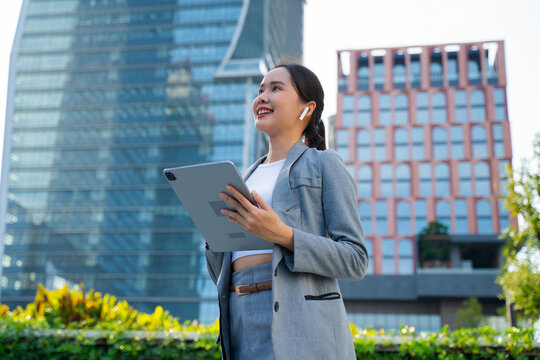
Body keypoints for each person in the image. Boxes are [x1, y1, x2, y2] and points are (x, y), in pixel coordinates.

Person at [205, 63, 368, 360]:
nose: (262, 97)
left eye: (276, 89)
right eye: (260, 91)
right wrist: (213, 233)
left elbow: (355, 259)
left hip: (302, 319)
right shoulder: (242, 178)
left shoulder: (323, 164)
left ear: (306, 108)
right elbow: (220, 270)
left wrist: (284, 235)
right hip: (239, 317)